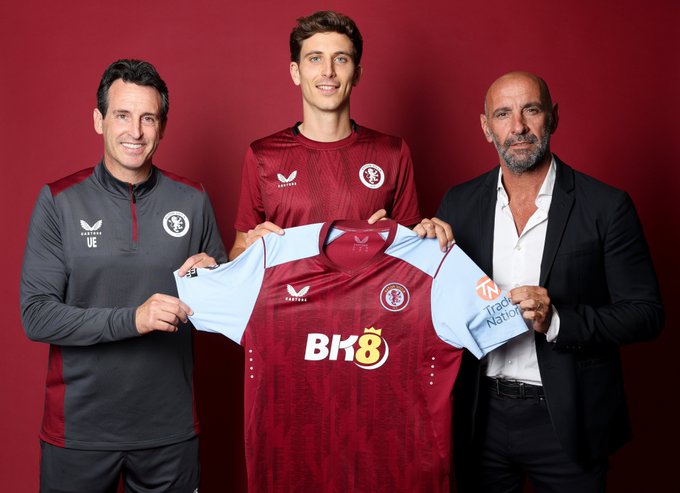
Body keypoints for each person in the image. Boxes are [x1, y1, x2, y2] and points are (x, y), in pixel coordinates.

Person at [175, 219, 529, 492]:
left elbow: (503, 320)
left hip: (401, 478)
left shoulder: (435, 260)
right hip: (292, 477)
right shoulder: (271, 257)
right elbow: (192, 293)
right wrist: (197, 270)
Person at [436, 71, 664, 493]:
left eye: (531, 110)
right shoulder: (458, 204)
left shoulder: (606, 206)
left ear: (553, 118)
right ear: (487, 128)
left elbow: (647, 314)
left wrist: (558, 319)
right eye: (503, 114)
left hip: (568, 422)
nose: (518, 127)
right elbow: (437, 309)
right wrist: (410, 247)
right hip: (479, 417)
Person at [20, 59, 226, 493]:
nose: (135, 131)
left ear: (162, 126)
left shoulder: (192, 199)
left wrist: (215, 283)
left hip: (169, 432)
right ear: (99, 121)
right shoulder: (59, 201)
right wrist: (135, 318)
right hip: (79, 432)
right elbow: (37, 316)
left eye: (148, 118)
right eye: (122, 115)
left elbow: (224, 313)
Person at [229, 10, 451, 260]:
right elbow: (238, 251)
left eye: (341, 59)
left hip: (366, 299)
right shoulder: (261, 155)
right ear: (295, 72)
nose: (328, 71)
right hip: (290, 298)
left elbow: (412, 256)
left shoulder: (393, 152)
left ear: (356, 74)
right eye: (315, 58)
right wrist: (250, 251)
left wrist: (416, 236)